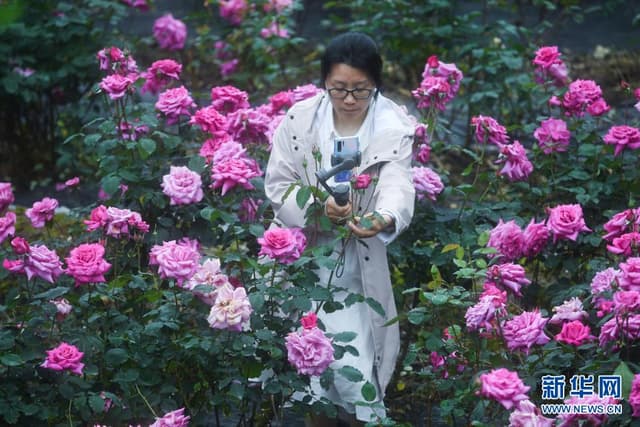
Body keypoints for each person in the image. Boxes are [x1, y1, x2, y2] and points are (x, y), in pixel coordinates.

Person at [264, 32, 415, 426]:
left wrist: (384, 216)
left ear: (376, 83)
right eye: (339, 89)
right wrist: (317, 207)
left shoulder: (391, 126)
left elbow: (397, 181)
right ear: (324, 83)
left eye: (360, 90)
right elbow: (278, 184)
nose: (349, 99)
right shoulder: (299, 122)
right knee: (308, 371)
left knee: (356, 371)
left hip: (357, 262)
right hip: (303, 259)